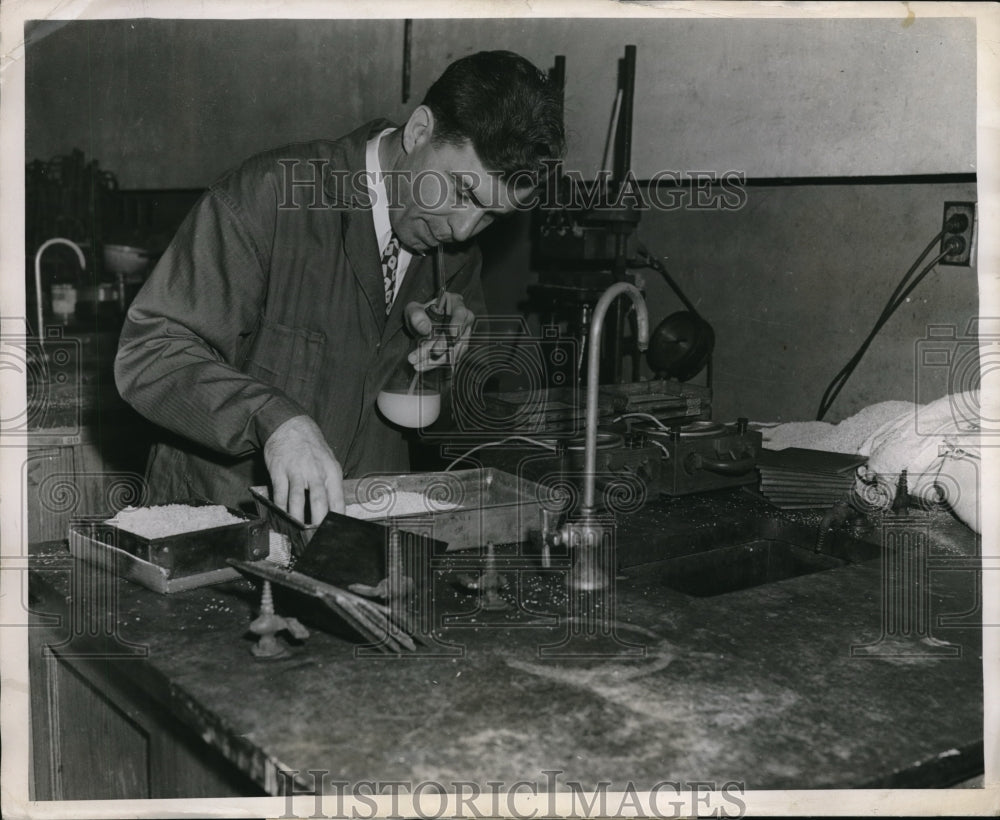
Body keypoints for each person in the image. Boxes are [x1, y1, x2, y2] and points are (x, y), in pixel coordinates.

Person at [115, 50, 566, 526]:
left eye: (491, 214)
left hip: (355, 541)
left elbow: (445, 425)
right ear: (418, 132)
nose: (464, 229)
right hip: (221, 532)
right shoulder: (269, 197)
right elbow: (151, 352)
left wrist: (447, 363)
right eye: (460, 191)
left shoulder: (455, 258)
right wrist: (272, 418)